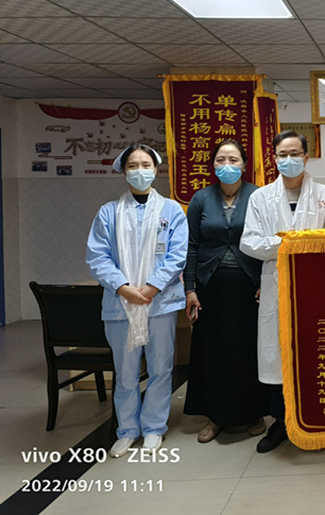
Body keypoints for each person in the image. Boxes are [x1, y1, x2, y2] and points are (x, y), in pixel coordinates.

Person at [240, 131, 325, 453]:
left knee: (314, 357)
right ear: (274, 158)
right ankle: (281, 425)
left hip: (316, 288)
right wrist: (287, 244)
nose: (289, 159)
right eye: (282, 154)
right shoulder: (260, 198)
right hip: (277, 286)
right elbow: (248, 242)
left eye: (295, 153)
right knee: (278, 357)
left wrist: (304, 244)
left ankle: (315, 425)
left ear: (306, 157)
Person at [86, 143, 188, 458]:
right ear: (124, 171)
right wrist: (123, 287)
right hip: (121, 306)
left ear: (156, 170)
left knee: (160, 368)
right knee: (126, 372)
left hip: (160, 303)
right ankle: (127, 430)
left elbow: (177, 255)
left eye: (146, 165)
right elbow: (97, 256)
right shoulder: (108, 213)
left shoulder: (172, 211)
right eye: (133, 165)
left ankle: (154, 427)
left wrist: (153, 287)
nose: (140, 171)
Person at [183, 140, 268, 443]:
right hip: (211, 286)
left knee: (248, 349)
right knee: (213, 351)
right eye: (221, 160)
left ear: (244, 164)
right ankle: (215, 416)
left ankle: (253, 413)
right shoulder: (201, 199)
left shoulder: (258, 196)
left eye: (233, 160)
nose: (227, 165)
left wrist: (266, 282)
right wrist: (190, 289)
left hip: (249, 286)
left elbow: (269, 242)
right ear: (213, 165)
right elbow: (192, 246)